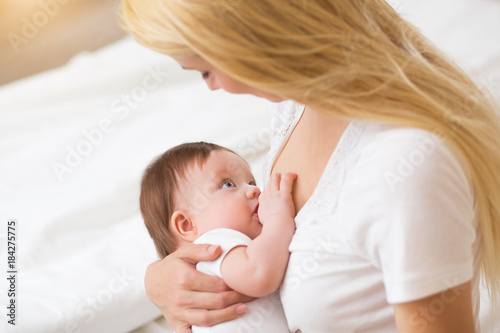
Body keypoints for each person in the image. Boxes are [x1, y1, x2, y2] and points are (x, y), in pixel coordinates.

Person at [121, 1, 500, 332]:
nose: (214, 86)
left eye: (205, 70)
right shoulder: (296, 107)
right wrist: (163, 278)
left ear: (249, 31)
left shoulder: (405, 167)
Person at [139, 141, 296, 332]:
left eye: (251, 182)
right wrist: (278, 217)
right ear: (187, 225)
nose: (254, 190)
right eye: (228, 184)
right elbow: (259, 274)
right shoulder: (213, 244)